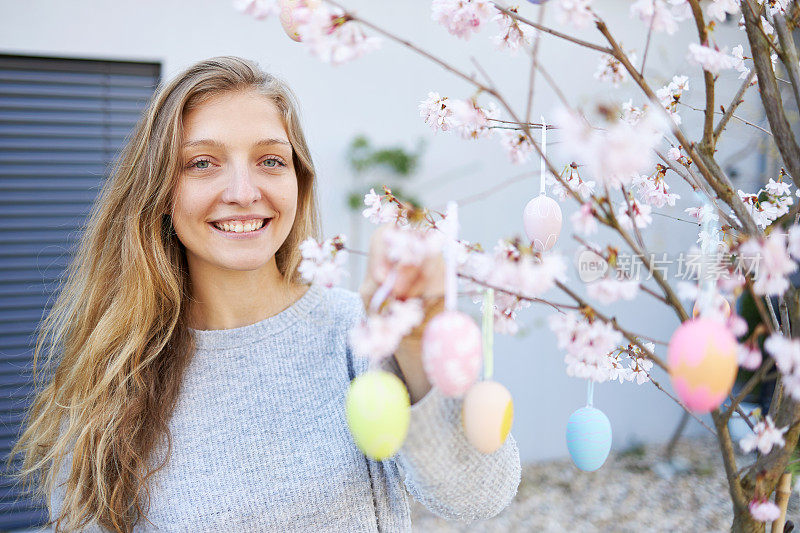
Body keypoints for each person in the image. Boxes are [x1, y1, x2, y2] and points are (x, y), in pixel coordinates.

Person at [8, 56, 521, 532]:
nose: (243, 191)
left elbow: (478, 496)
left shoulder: (362, 334)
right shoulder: (114, 372)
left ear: (299, 181)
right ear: (161, 193)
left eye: (270, 161)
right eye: (202, 163)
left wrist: (417, 344)